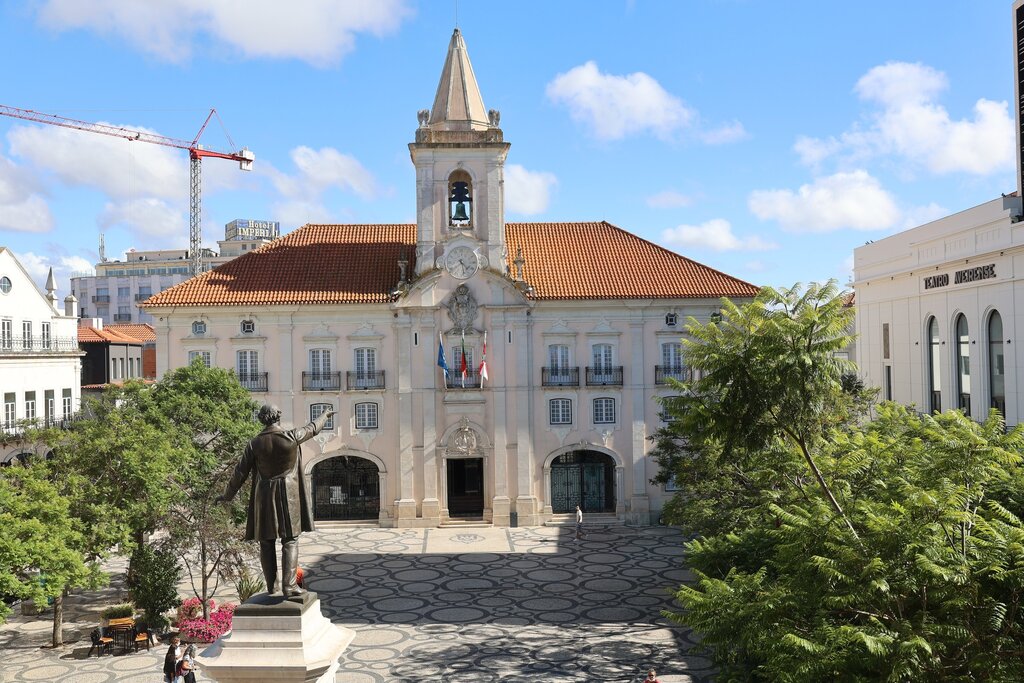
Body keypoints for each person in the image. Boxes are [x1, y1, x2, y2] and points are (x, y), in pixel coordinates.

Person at [217, 404, 333, 597]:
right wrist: (325, 414)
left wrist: (227, 495)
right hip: (289, 495)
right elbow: (313, 428)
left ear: (262, 419)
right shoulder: (291, 437)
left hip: (264, 497)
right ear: (278, 416)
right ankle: (289, 586)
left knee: (266, 542)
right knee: (290, 540)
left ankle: (272, 587)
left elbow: (240, 473)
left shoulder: (254, 444)